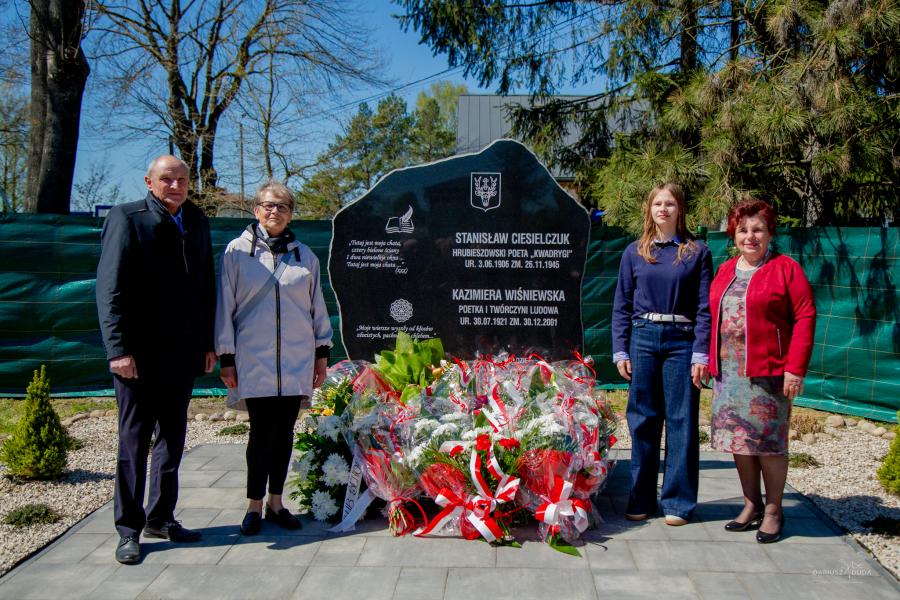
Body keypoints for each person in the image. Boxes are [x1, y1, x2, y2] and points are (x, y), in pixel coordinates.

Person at [96, 155, 217, 564]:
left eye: (182, 179)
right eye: (167, 179)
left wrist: (207, 343)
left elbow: (205, 287)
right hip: (138, 357)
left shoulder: (196, 221)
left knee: (172, 440)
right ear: (150, 182)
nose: (176, 186)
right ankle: (128, 530)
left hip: (181, 355)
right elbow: (110, 289)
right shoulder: (127, 218)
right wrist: (118, 350)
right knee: (134, 443)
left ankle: (161, 518)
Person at [215, 181, 333, 536]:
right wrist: (226, 356)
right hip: (255, 359)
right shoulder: (236, 252)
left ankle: (276, 501)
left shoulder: (305, 257)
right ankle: (253, 504)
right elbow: (225, 306)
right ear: (256, 210)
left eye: (282, 206)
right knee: (261, 433)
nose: (275, 212)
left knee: (284, 433)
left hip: (296, 360)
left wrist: (322, 354)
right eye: (268, 205)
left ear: (291, 214)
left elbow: (317, 308)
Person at [709, 199, 815, 543]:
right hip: (729, 373)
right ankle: (751, 504)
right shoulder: (725, 270)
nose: (750, 236)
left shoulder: (786, 269)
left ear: (770, 233)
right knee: (739, 440)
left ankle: (773, 510)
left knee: (769, 445)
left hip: (769, 373)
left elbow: (805, 316)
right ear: (734, 235)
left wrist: (795, 369)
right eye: (743, 230)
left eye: (758, 230)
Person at [612, 182, 713, 526]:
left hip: (682, 341)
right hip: (643, 339)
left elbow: (704, 308)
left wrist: (701, 354)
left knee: (682, 420)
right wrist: (620, 349)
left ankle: (678, 503)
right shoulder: (634, 252)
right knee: (643, 419)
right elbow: (622, 304)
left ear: (680, 208)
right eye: (658, 204)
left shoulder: (697, 252)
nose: (663, 209)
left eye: (670, 203)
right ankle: (641, 498)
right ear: (650, 209)